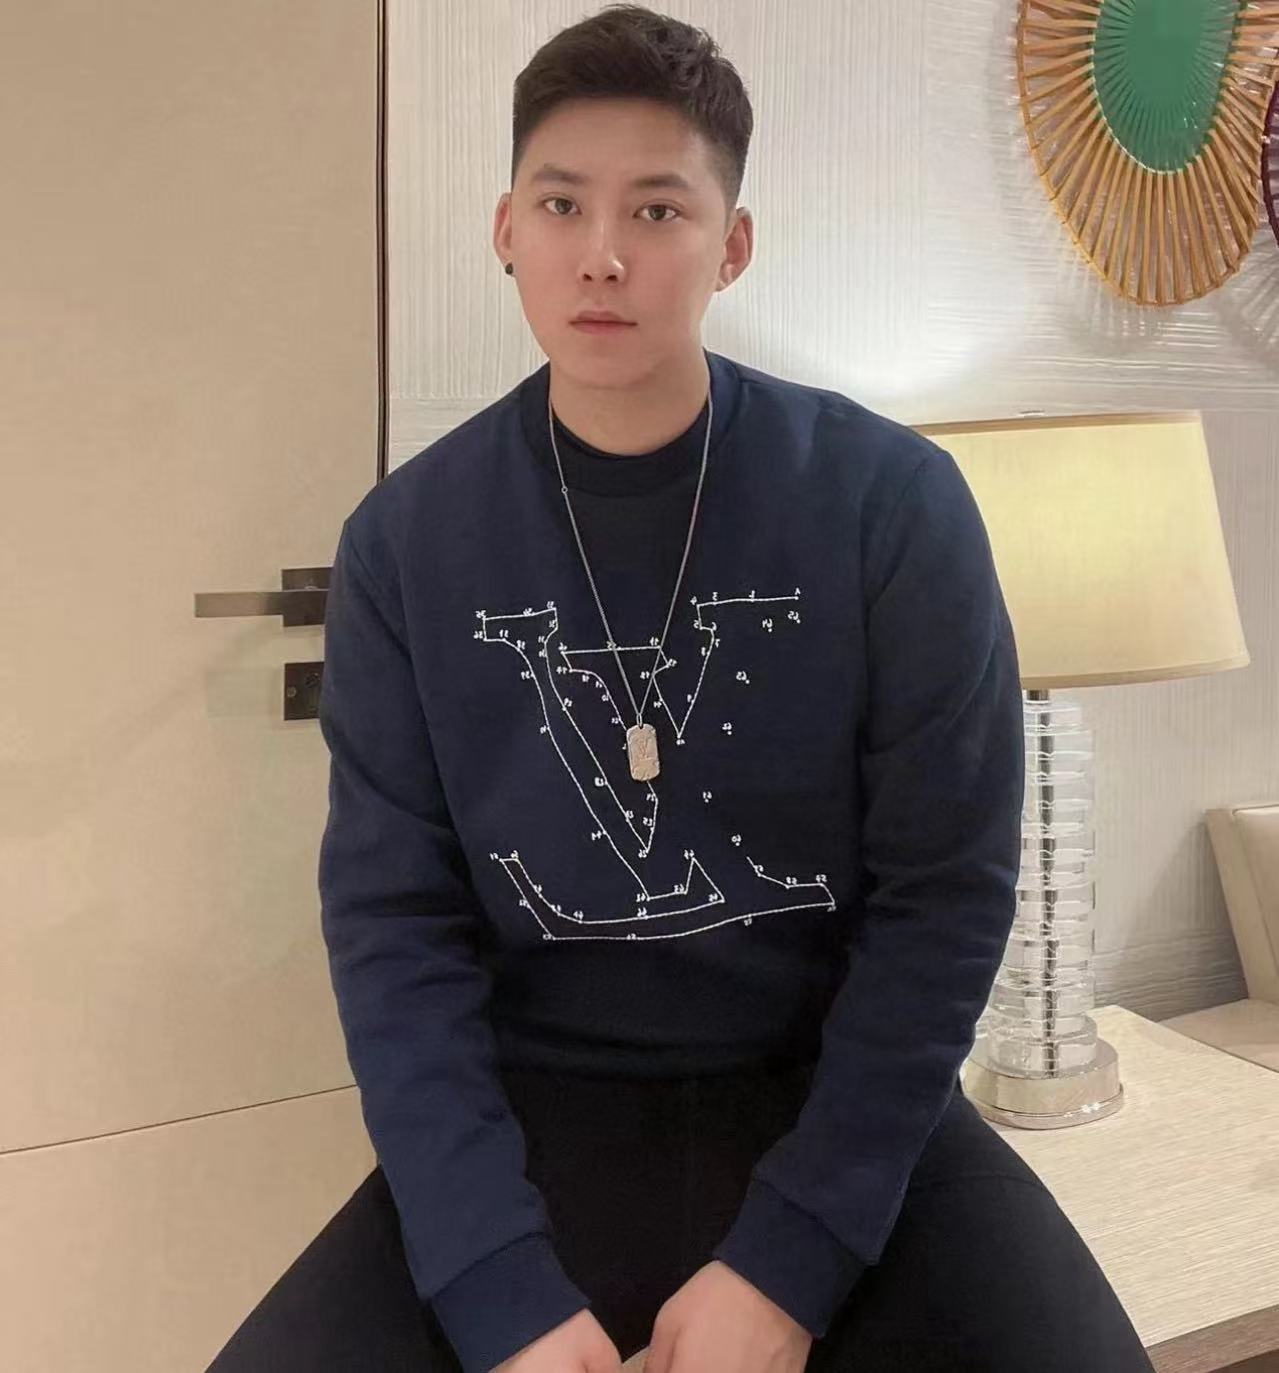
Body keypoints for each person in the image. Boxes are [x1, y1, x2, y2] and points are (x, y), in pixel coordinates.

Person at [207, 5, 1156, 1371]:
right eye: (562, 205)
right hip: (536, 1109)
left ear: (733, 244)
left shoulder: (891, 505)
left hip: (829, 1098)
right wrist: (497, 1291)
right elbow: (393, 931)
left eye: (658, 209)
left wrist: (790, 1265)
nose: (603, 253)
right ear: (506, 230)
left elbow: (946, 897)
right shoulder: (405, 544)